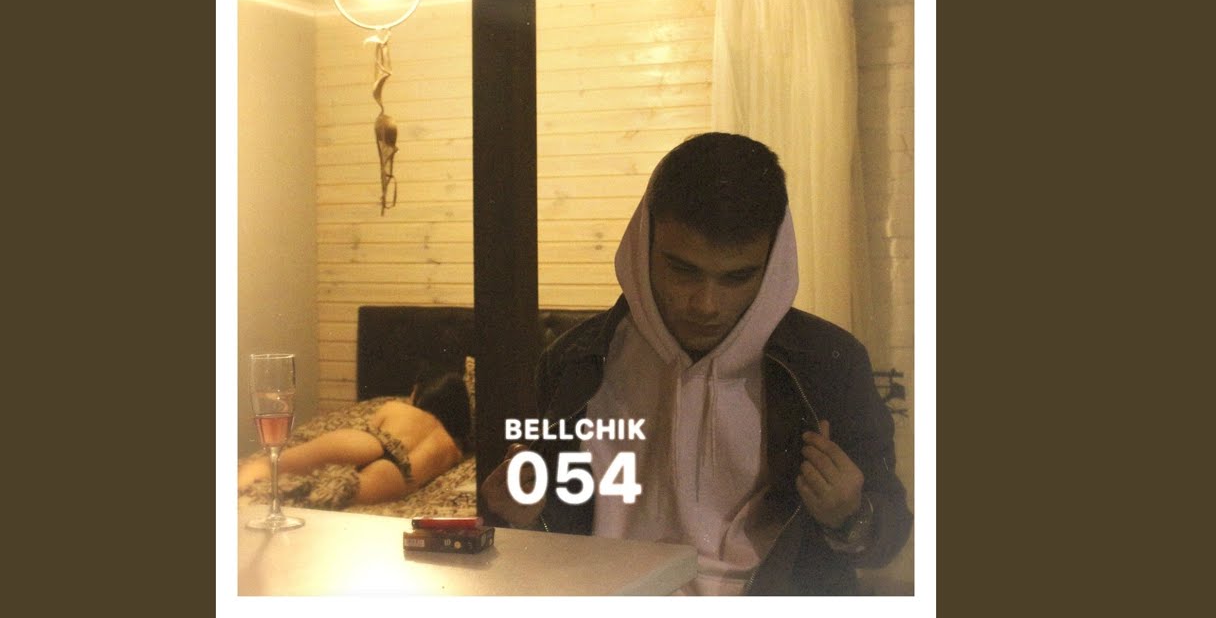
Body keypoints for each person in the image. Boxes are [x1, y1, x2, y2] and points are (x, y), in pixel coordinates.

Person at [482, 132, 912, 595]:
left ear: (774, 261)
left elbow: (889, 537)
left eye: (737, 277)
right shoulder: (574, 360)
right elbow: (537, 519)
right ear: (642, 242)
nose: (706, 304)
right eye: (683, 270)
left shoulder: (828, 363)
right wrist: (521, 513)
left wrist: (851, 515)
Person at [238, 371, 471, 506]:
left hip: (368, 443)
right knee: (315, 499)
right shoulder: (453, 450)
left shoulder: (396, 407)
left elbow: (370, 428)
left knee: (273, 465)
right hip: (395, 477)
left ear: (418, 392)